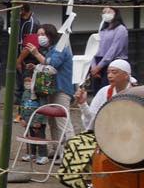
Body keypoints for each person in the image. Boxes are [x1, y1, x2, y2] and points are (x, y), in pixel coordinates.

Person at [23, 23, 75, 155]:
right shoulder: (51, 49)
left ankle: (70, 153)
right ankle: (57, 150)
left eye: (43, 34)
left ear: (50, 35)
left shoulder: (61, 48)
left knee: (62, 121)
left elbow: (53, 64)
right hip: (51, 89)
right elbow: (46, 65)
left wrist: (35, 53)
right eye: (39, 34)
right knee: (52, 121)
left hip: (62, 88)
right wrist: (35, 67)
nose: (40, 37)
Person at [77, 59, 133, 130]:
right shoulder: (104, 91)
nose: (109, 76)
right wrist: (83, 104)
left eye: (114, 72)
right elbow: (92, 119)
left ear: (126, 75)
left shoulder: (136, 92)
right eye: (108, 73)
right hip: (105, 133)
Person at [90, 7, 129, 90]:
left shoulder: (121, 29)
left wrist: (98, 67)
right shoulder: (102, 30)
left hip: (113, 63)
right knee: (98, 91)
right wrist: (93, 66)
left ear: (116, 13)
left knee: (110, 89)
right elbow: (95, 47)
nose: (106, 14)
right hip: (98, 62)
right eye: (104, 12)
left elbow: (114, 49)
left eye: (109, 12)